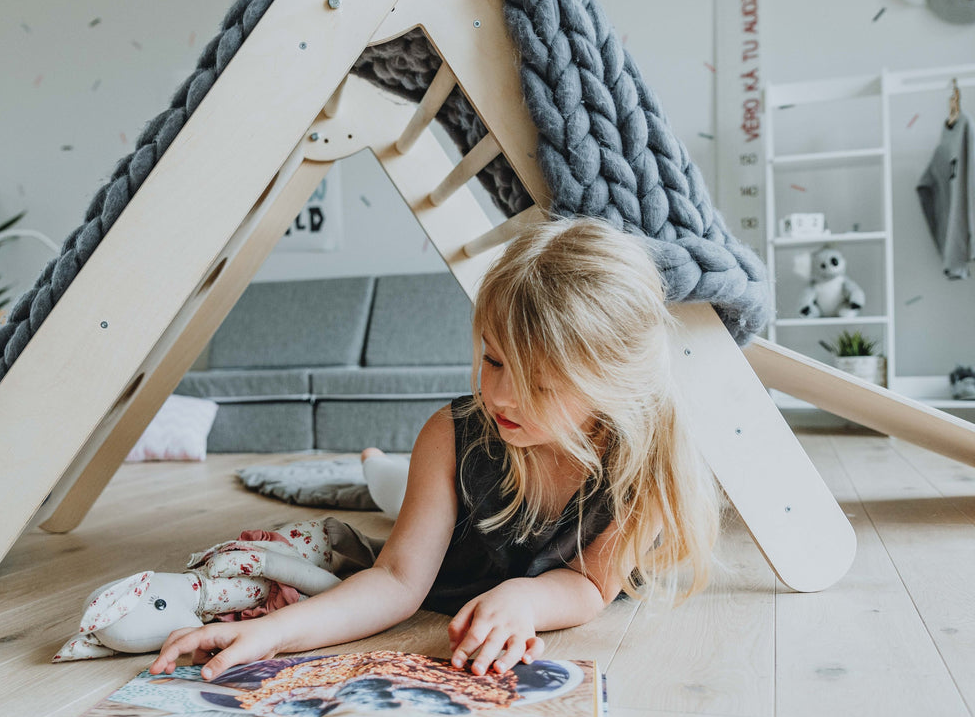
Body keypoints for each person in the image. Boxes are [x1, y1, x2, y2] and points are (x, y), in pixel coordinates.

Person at [150, 217, 720, 683]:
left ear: (610, 386)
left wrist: (524, 601)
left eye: (537, 383)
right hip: (459, 525)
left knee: (395, 488)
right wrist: (271, 633)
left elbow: (589, 584)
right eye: (493, 359)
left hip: (514, 552)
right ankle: (377, 468)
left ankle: (380, 471)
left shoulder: (645, 462)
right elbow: (398, 577)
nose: (496, 395)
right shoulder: (455, 431)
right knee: (392, 490)